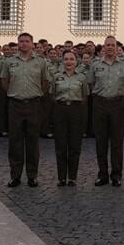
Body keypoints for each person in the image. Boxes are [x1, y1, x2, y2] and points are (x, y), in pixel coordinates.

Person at [1, 32, 48, 188]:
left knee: (32, 142)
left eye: (27, 41)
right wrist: (15, 93)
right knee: (15, 141)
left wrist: (35, 94)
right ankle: (15, 176)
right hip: (15, 104)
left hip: (34, 104)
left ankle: (32, 176)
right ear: (17, 43)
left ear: (32, 44)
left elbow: (44, 82)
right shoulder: (9, 62)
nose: (23, 44)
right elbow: (5, 81)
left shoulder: (41, 62)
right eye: (21, 41)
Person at [87, 36, 124, 187]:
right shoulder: (95, 65)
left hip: (117, 105)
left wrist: (120, 100)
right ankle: (102, 174)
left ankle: (116, 175)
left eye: (113, 45)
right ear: (103, 47)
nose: (110, 47)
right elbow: (91, 83)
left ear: (117, 47)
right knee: (101, 141)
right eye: (107, 45)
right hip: (100, 103)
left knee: (117, 142)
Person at [50, 50, 89, 187]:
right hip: (60, 110)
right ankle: (61, 177)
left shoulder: (82, 77)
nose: (69, 62)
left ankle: (72, 177)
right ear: (62, 61)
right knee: (60, 145)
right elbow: (52, 94)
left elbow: (85, 96)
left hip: (76, 110)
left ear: (76, 61)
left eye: (72, 59)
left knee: (74, 145)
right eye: (66, 59)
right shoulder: (56, 76)